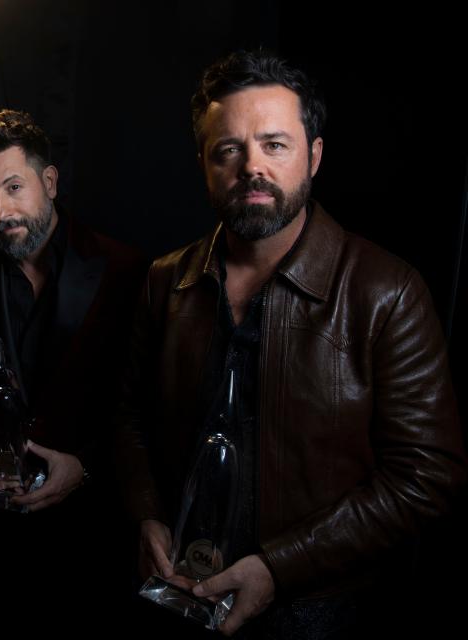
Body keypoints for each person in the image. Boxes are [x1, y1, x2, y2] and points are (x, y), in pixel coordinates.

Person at [119, 49, 465, 637]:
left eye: (275, 144)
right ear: (205, 163)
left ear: (315, 155)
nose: (251, 166)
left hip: (316, 612)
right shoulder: (165, 280)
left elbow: (426, 474)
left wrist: (280, 567)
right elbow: (128, 417)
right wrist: (147, 514)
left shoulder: (388, 291)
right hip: (177, 590)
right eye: (228, 149)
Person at [0, 109, 149, 609]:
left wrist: (85, 467)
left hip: (94, 529)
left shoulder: (127, 270)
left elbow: (145, 402)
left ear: (51, 182)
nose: (1, 211)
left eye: (14, 187)